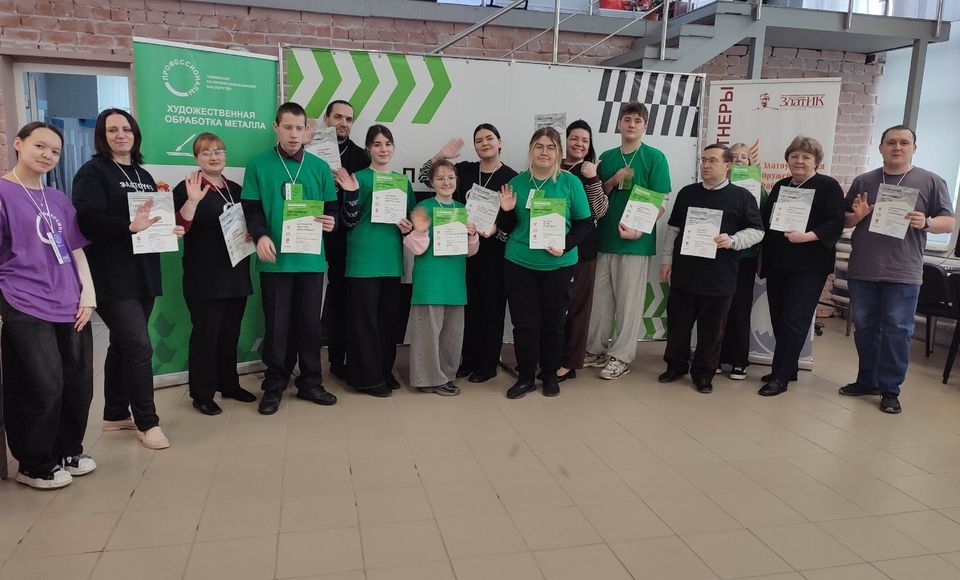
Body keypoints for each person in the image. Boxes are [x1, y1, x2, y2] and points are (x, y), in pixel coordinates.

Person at [73, 108, 180, 450]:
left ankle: (115, 413)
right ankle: (148, 423)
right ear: (101, 136)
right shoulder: (93, 172)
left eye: (126, 129)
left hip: (143, 272)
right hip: (110, 274)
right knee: (138, 345)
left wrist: (166, 229)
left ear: (135, 134)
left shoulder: (143, 175)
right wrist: (128, 227)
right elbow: (86, 220)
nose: (121, 135)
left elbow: (149, 221)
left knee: (122, 344)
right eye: (112, 130)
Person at [0, 122, 96, 488]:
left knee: (78, 382)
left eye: (55, 151)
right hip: (24, 300)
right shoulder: (3, 192)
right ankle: (34, 463)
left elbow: (75, 249)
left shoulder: (57, 198)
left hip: (70, 300)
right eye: (40, 146)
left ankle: (68, 450)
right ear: (18, 144)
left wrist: (88, 294)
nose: (47, 155)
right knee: (41, 384)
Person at [840, 125, 955, 414]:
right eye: (891, 142)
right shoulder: (864, 180)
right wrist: (857, 215)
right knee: (865, 328)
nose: (897, 147)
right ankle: (867, 380)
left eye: (904, 142)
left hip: (903, 271)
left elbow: (949, 222)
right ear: (881, 148)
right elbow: (844, 221)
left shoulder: (931, 180)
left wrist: (926, 222)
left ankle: (890, 390)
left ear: (914, 148)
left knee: (898, 331)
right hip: (864, 268)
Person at [241, 102, 342, 416]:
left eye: (299, 128)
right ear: (276, 128)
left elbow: (332, 208)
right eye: (288, 127)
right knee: (277, 325)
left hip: (311, 260)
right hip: (275, 260)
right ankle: (274, 384)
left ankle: (311, 382)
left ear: (306, 130)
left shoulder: (319, 167)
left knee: (310, 325)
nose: (294, 134)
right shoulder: (258, 164)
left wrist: (332, 221)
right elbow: (251, 208)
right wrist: (261, 235)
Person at [657, 144, 764, 393]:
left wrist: (733, 240)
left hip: (720, 275)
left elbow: (757, 231)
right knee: (678, 325)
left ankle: (704, 374)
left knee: (712, 330)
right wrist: (667, 259)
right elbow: (673, 229)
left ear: (727, 165)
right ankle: (675, 366)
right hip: (685, 272)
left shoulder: (742, 196)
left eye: (712, 160)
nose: (706, 165)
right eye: (704, 160)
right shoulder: (687, 193)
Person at [497, 127, 593, 399]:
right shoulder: (516, 183)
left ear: (559, 152)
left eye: (551, 147)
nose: (544, 152)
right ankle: (526, 377)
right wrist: (505, 211)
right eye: (539, 146)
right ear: (531, 150)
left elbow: (585, 224)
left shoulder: (570, 183)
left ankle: (550, 374)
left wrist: (566, 244)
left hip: (558, 265)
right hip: (520, 263)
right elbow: (506, 228)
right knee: (524, 324)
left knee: (554, 323)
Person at [420, 124, 517, 383]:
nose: (484, 143)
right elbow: (426, 176)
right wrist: (442, 155)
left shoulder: (510, 177)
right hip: (461, 251)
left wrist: (496, 229)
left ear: (499, 142)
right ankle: (469, 359)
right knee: (469, 309)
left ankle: (488, 364)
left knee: (492, 309)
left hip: (495, 253)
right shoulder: (464, 170)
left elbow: (515, 219)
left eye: (489, 138)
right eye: (479, 140)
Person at [173, 133, 257, 416]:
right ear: (196, 158)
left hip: (236, 273)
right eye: (206, 152)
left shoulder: (235, 189)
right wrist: (192, 201)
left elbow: (247, 222)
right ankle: (201, 393)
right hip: (204, 277)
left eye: (219, 151)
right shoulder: (188, 187)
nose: (214, 156)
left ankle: (229, 384)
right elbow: (179, 228)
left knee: (230, 333)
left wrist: (250, 233)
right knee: (206, 336)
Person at [586, 102, 671, 380]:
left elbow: (661, 200)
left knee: (628, 303)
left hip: (635, 243)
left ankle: (621, 357)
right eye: (627, 119)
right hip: (605, 239)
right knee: (599, 302)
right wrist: (613, 179)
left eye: (637, 120)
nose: (631, 124)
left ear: (645, 126)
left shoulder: (654, 157)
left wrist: (639, 231)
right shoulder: (607, 157)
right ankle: (595, 350)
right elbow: (598, 194)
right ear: (619, 124)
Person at [758, 136, 844, 397]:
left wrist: (808, 236)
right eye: (794, 156)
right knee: (778, 317)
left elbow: (836, 222)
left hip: (809, 266)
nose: (799, 161)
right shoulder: (781, 185)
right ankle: (789, 367)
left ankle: (780, 376)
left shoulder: (828, 186)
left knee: (794, 319)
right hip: (778, 262)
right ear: (788, 159)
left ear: (817, 162)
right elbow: (768, 221)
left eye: (806, 157)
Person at [343, 124, 415, 397]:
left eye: (387, 144)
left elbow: (411, 220)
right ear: (368, 149)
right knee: (365, 322)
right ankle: (367, 378)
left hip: (391, 261)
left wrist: (408, 226)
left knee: (387, 321)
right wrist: (351, 193)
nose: (383, 149)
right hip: (363, 261)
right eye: (377, 144)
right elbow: (348, 221)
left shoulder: (402, 181)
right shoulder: (358, 178)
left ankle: (384, 371)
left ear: (393, 147)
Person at [404, 160, 480, 395]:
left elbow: (469, 252)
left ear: (457, 180)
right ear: (431, 182)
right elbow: (415, 247)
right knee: (427, 334)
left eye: (450, 177)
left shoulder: (463, 209)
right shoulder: (424, 207)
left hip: (455, 281)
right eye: (440, 178)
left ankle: (446, 376)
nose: (446, 182)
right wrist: (419, 231)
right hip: (430, 281)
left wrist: (472, 235)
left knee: (452, 335)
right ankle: (427, 379)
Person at [315, 100, 370, 380]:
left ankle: (338, 361)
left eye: (349, 119)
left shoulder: (361, 157)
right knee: (305, 296)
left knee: (340, 298)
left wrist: (349, 188)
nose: (343, 123)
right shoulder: (307, 149)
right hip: (308, 230)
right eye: (338, 117)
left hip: (345, 237)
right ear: (326, 119)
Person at [558, 120, 608, 382]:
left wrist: (593, 178)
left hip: (582, 250)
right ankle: (551, 357)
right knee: (554, 307)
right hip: (551, 248)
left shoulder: (590, 170)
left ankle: (570, 362)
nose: (579, 144)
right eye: (574, 138)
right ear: (565, 140)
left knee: (577, 308)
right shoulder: (552, 166)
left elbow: (599, 211)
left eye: (585, 140)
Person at [718, 142, 767, 380]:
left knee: (739, 309)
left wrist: (760, 258)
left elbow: (763, 227)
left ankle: (739, 360)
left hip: (745, 258)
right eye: (734, 156)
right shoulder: (718, 186)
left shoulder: (760, 191)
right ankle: (716, 357)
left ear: (751, 162)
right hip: (718, 256)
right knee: (717, 308)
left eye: (744, 157)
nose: (739, 160)